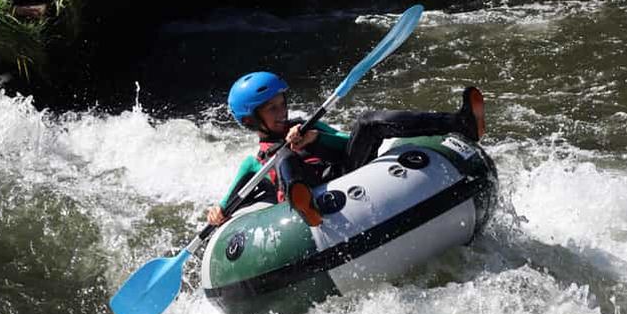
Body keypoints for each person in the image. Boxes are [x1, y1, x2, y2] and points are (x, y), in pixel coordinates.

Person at [206, 71, 485, 227]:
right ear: (251, 120)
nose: (282, 112)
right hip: (310, 202)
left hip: (344, 175)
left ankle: (461, 123)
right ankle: (304, 203)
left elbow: (345, 142)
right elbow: (226, 207)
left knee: (366, 122)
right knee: (284, 155)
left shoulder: (306, 126)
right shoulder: (254, 165)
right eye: (272, 109)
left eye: (282, 103)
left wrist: (314, 138)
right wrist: (217, 214)